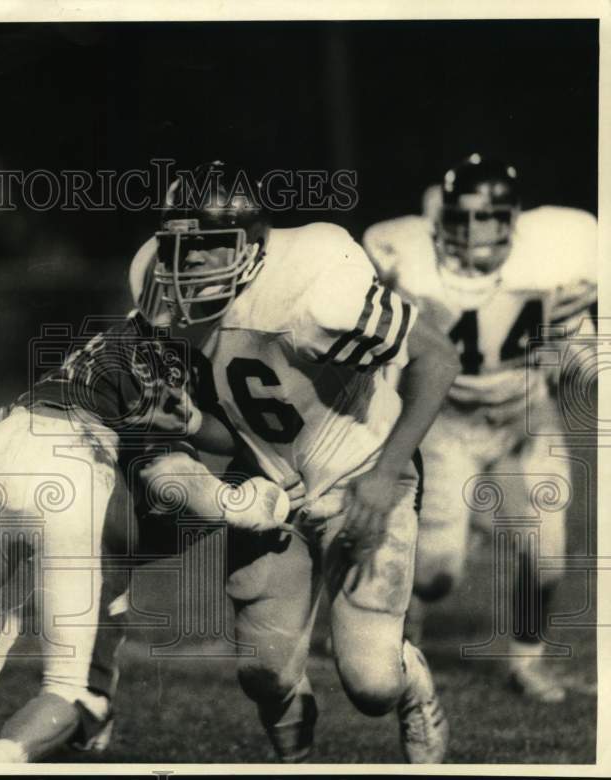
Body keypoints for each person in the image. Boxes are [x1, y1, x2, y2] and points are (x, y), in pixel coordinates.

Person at [128, 160, 460, 763]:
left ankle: (414, 692)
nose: (186, 262)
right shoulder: (154, 282)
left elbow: (436, 358)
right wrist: (195, 426)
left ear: (252, 245)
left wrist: (386, 474)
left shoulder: (314, 286)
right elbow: (253, 419)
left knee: (371, 684)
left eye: (205, 246)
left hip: (358, 472)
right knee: (264, 675)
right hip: (268, 482)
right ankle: (295, 755)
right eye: (177, 245)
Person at [0, 310, 301, 763]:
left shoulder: (114, 338)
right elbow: (170, 475)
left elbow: (203, 429)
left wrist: (199, 427)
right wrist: (247, 503)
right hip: (68, 470)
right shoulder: (171, 362)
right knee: (67, 688)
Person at [363, 154, 597, 703]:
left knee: (545, 551)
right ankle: (406, 622)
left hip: (524, 415)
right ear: (438, 221)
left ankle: (527, 660)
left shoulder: (558, 250)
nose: (474, 234)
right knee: (437, 571)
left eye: (489, 219)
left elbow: (580, 350)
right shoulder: (409, 257)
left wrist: (578, 326)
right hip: (447, 420)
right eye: (461, 220)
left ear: (514, 219)